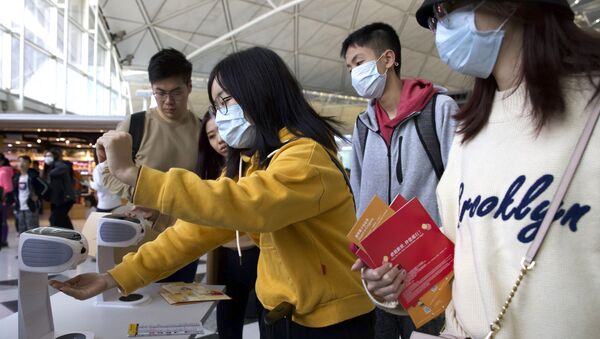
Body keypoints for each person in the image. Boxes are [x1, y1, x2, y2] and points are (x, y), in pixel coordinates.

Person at [50, 46, 375, 339]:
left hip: (331, 324)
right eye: (217, 106)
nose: (221, 117)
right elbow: (192, 232)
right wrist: (114, 278)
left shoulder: (305, 157)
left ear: (260, 92)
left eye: (226, 101)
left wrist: (134, 176)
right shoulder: (256, 163)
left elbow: (247, 205)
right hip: (284, 317)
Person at [363, 1, 600, 338]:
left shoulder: (590, 108)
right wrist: (392, 284)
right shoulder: (469, 129)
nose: (441, 29)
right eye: (434, 20)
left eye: (446, 8)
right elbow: (458, 258)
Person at [341, 22, 458, 338]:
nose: (353, 73)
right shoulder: (364, 125)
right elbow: (360, 191)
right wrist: (364, 254)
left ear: (388, 59)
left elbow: (460, 187)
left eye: (359, 62)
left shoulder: (439, 110)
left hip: (432, 273)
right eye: (349, 67)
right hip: (381, 275)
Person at [101, 48, 202, 283]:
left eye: (176, 92)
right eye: (160, 93)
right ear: (152, 89)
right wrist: (141, 195)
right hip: (141, 236)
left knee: (178, 304)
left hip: (185, 238)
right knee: (137, 306)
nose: (168, 101)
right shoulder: (136, 124)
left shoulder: (203, 131)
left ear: (188, 86)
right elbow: (108, 171)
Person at [197, 111, 260, 339]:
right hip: (226, 258)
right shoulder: (210, 173)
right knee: (227, 325)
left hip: (259, 255)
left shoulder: (257, 165)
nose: (219, 141)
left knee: (268, 321)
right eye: (211, 136)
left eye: (221, 131)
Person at [11, 155, 48, 233]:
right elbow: (14, 191)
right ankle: (23, 244)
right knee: (21, 228)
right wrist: (14, 200)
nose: (21, 163)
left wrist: (38, 196)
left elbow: (45, 187)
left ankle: (34, 244)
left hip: (31, 206)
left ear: (29, 164)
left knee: (32, 229)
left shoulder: (33, 176)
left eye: (24, 161)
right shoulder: (16, 177)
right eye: (20, 161)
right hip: (19, 207)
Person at [43, 148, 76, 229]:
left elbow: (64, 168)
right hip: (60, 198)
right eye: (46, 156)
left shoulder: (58, 164)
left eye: (49, 155)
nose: (47, 157)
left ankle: (67, 235)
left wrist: (50, 174)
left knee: (56, 218)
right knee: (61, 218)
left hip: (64, 198)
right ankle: (70, 234)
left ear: (55, 156)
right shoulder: (52, 166)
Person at [0, 154, 14, 247]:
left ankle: (3, 240)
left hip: (2, 200)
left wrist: (2, 196)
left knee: (2, 221)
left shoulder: (3, 172)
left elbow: (8, 187)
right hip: (2, 200)